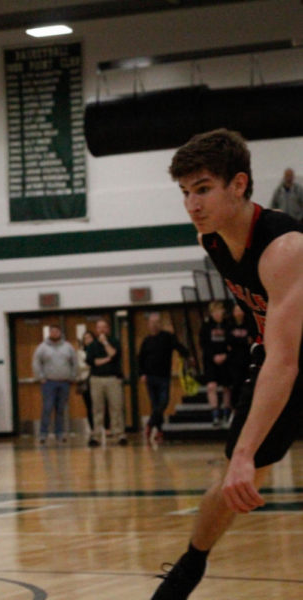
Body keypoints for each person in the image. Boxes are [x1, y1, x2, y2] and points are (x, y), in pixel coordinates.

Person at [151, 128, 303, 599]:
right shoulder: (211, 238)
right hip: (283, 355)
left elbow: (284, 361)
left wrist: (245, 454)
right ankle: (189, 567)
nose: (192, 204)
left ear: (239, 185)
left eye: (203, 189)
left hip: (289, 359)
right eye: (185, 192)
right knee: (232, 478)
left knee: (242, 460)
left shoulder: (285, 248)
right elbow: (274, 345)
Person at [138, 312, 189, 446]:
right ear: (148, 325)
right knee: (155, 405)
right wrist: (142, 374)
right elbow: (141, 359)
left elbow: (178, 346)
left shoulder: (167, 337)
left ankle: (149, 424)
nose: (154, 325)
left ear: (160, 324)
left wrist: (188, 356)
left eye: (157, 322)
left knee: (163, 403)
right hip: (150, 377)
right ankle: (159, 430)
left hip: (164, 377)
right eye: (152, 322)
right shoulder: (146, 341)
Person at [31, 324, 78, 444]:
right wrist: (40, 377)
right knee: (47, 408)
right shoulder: (42, 347)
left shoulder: (68, 347)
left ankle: (60, 433)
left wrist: (73, 376)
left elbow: (74, 362)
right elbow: (36, 363)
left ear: (60, 333)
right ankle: (43, 434)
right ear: (49, 333)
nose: (55, 333)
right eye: (52, 331)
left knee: (61, 409)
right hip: (49, 383)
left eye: (57, 331)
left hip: (64, 382)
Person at [85, 318, 126, 446]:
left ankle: (119, 434)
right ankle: (96, 436)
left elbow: (114, 354)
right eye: (99, 327)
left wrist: (106, 343)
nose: (102, 330)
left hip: (113, 379)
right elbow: (93, 362)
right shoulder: (91, 346)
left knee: (116, 407)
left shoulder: (114, 342)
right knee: (97, 408)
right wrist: (108, 359)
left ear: (108, 329)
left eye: (104, 327)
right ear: (96, 330)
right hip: (96, 379)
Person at [199, 301, 232, 427]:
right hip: (210, 360)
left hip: (225, 360)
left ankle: (226, 412)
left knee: (226, 387)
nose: (218, 314)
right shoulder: (206, 326)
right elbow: (203, 344)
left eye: (220, 311)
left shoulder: (228, 325)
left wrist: (225, 355)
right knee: (211, 387)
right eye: (215, 311)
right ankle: (215, 414)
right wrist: (213, 356)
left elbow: (231, 342)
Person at [76, 331, 95, 433]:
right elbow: (81, 366)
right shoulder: (80, 353)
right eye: (85, 338)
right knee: (89, 405)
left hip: (97, 379)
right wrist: (94, 363)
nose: (88, 340)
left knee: (100, 405)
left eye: (90, 337)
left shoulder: (98, 349)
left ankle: (106, 428)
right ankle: (93, 428)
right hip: (86, 381)